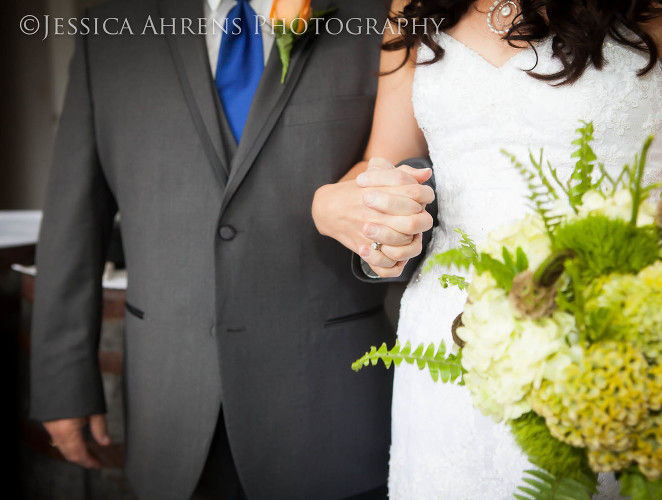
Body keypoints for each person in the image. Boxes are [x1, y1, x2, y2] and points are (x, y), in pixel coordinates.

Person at [312, 0, 662, 497]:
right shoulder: (414, 4)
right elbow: (381, 163)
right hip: (442, 346)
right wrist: (336, 207)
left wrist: (648, 340)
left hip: (610, 343)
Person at [29, 0, 430, 499]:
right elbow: (74, 220)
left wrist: (388, 237)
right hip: (169, 402)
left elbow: (421, 190)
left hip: (332, 406)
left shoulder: (382, 14)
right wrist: (61, 382)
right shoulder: (111, 29)